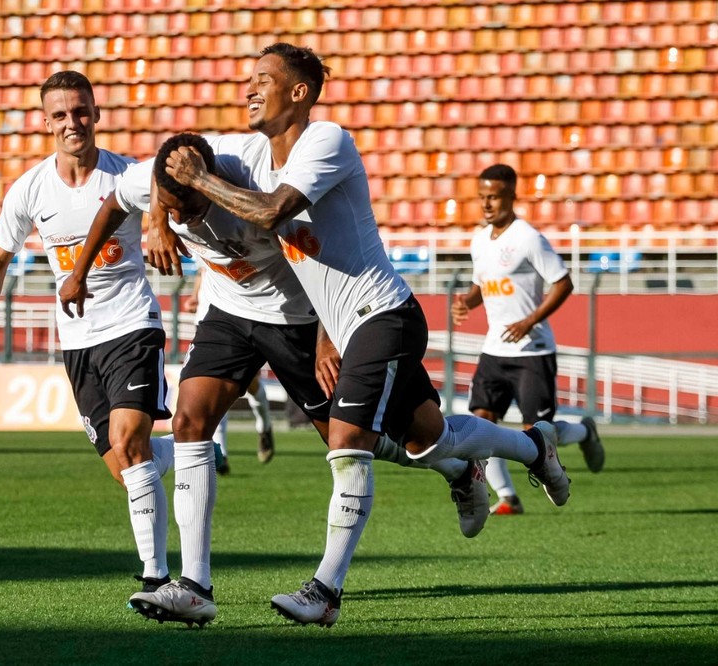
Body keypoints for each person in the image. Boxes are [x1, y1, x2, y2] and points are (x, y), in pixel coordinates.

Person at [142, 43, 571, 628]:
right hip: (334, 324)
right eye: (248, 79)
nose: (249, 88)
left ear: (300, 93)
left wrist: (201, 181)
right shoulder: (244, 154)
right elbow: (166, 162)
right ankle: (532, 446)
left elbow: (270, 212)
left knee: (348, 444)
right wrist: (157, 212)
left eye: (263, 79)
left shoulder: (328, 140)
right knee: (427, 437)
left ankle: (325, 592)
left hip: (382, 314)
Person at [60, 132, 489, 626]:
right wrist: (89, 265)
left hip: (298, 318)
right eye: (171, 208)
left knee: (352, 440)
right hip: (228, 313)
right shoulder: (161, 186)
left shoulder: (258, 180)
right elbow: (118, 199)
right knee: (189, 420)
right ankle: (195, 585)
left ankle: (456, 468)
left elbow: (327, 252)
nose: (182, 219)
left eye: (188, 207)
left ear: (214, 184)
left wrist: (330, 333)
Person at [0, 71, 176, 606]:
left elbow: (164, 190)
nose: (72, 123)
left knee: (129, 443)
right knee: (125, 465)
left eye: (80, 111)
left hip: (131, 324)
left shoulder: (126, 175)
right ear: (45, 122)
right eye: (59, 115)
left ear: (96, 113)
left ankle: (155, 577)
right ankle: (192, 447)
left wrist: (158, 223)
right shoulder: (31, 189)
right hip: (77, 343)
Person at [451, 164, 605, 516]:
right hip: (494, 349)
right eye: (482, 198)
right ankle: (508, 497)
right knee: (480, 427)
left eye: (493, 197)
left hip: (532, 350)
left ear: (511, 196)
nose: (487, 204)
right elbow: (482, 286)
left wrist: (529, 320)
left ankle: (584, 431)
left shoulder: (527, 238)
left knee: (539, 432)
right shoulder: (479, 240)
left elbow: (563, 282)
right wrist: (466, 303)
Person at [185, 261, 275, 473]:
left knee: (251, 384)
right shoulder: (200, 231)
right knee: (213, 385)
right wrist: (195, 295)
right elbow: (202, 269)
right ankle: (221, 454)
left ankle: (264, 426)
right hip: (208, 318)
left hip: (239, 311)